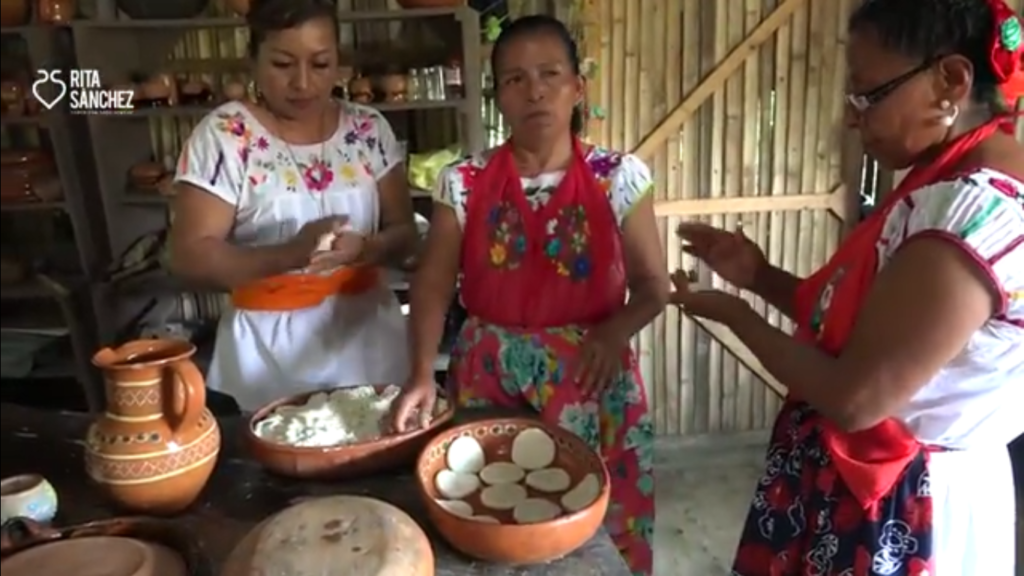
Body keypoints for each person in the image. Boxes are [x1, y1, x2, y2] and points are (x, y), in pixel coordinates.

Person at [669, 0, 1024, 573]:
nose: (854, 117)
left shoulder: (970, 215)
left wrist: (734, 315)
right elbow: (871, 333)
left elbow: (855, 397)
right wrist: (760, 277)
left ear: (950, 80)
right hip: (879, 483)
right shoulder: (946, 185)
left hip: (904, 505)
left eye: (867, 93)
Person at [389, 15, 669, 576]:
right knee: (490, 517)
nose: (534, 90)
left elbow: (653, 288)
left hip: (591, 377)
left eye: (550, 74)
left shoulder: (619, 177)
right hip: (488, 374)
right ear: (497, 95)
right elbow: (434, 284)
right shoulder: (462, 182)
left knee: (593, 532)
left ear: (577, 86)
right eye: (515, 79)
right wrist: (422, 372)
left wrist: (615, 332)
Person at [168, 0, 417, 411]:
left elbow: (405, 234)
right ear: (254, 60)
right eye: (283, 64)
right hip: (267, 351)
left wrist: (367, 250)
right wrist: (291, 254)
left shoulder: (368, 130)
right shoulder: (227, 136)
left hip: (367, 338)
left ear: (339, 63)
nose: (302, 83)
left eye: (320, 64)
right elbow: (189, 256)